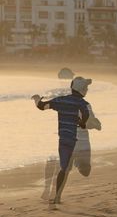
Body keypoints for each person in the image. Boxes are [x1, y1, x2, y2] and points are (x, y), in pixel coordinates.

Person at [32, 76, 91, 205]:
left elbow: (42, 106)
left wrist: (37, 99)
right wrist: (81, 123)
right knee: (67, 168)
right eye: (86, 87)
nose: (87, 89)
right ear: (81, 89)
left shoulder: (61, 100)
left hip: (63, 139)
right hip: (74, 140)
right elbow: (86, 113)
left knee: (63, 168)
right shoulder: (81, 102)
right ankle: (57, 196)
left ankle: (57, 196)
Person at [41, 105, 102, 203]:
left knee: (86, 172)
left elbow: (94, 124)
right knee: (64, 170)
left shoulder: (86, 106)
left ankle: (75, 162)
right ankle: (57, 197)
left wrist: (93, 124)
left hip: (83, 143)